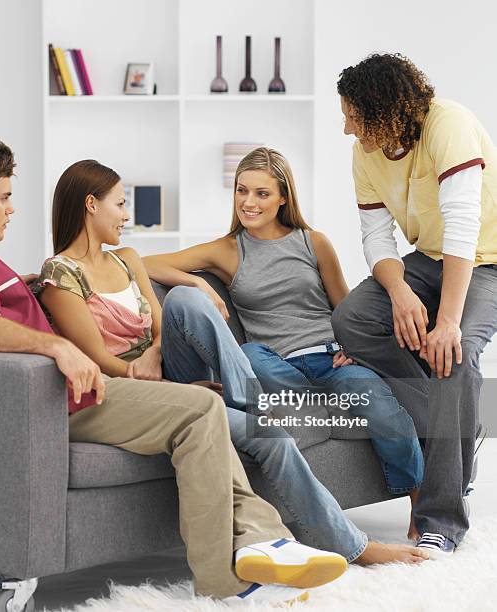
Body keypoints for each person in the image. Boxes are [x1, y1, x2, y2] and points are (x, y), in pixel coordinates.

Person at [0, 136, 352, 606]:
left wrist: (26, 291)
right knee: (199, 410)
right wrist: (57, 346)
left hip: (65, 395)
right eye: (5, 196)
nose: (12, 209)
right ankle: (233, 568)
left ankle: (257, 545)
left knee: (202, 412)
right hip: (55, 402)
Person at [35, 157, 428, 567]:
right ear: (91, 205)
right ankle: (351, 546)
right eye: (119, 204)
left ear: (282, 198)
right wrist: (198, 282)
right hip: (187, 383)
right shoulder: (63, 274)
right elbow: (98, 356)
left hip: (278, 363)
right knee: (256, 382)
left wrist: (177, 314)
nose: (127, 214)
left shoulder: (128, 258)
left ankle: (408, 502)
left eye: (261, 193)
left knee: (189, 302)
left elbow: (158, 325)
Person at [332, 52, 497, 557]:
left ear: (384, 111)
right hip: (425, 259)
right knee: (353, 319)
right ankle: (460, 420)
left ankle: (441, 522)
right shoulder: (368, 150)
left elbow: (464, 230)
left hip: (485, 260)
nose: (346, 129)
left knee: (454, 356)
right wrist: (400, 291)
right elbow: (377, 239)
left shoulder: (451, 126)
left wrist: (446, 322)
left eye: (353, 117)